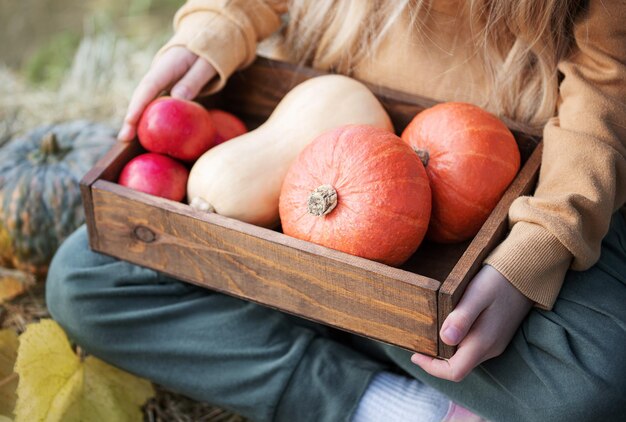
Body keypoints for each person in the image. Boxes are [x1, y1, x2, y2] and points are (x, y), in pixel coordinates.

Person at [47, 1, 626, 421]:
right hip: (314, 175)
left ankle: (331, 320)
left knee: (596, 383)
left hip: (514, 193)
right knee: (84, 279)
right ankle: (387, 405)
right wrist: (214, 28)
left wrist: (539, 247)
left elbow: (610, 88)